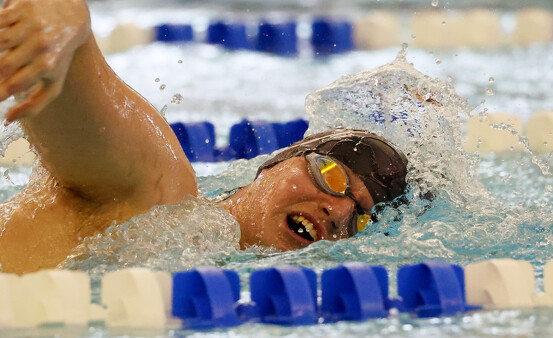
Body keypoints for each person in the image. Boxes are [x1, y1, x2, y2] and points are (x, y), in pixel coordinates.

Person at [0, 0, 408, 275]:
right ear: (277, 161)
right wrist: (65, 16)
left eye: (359, 218)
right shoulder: (158, 195)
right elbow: (79, 83)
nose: (338, 211)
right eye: (332, 176)